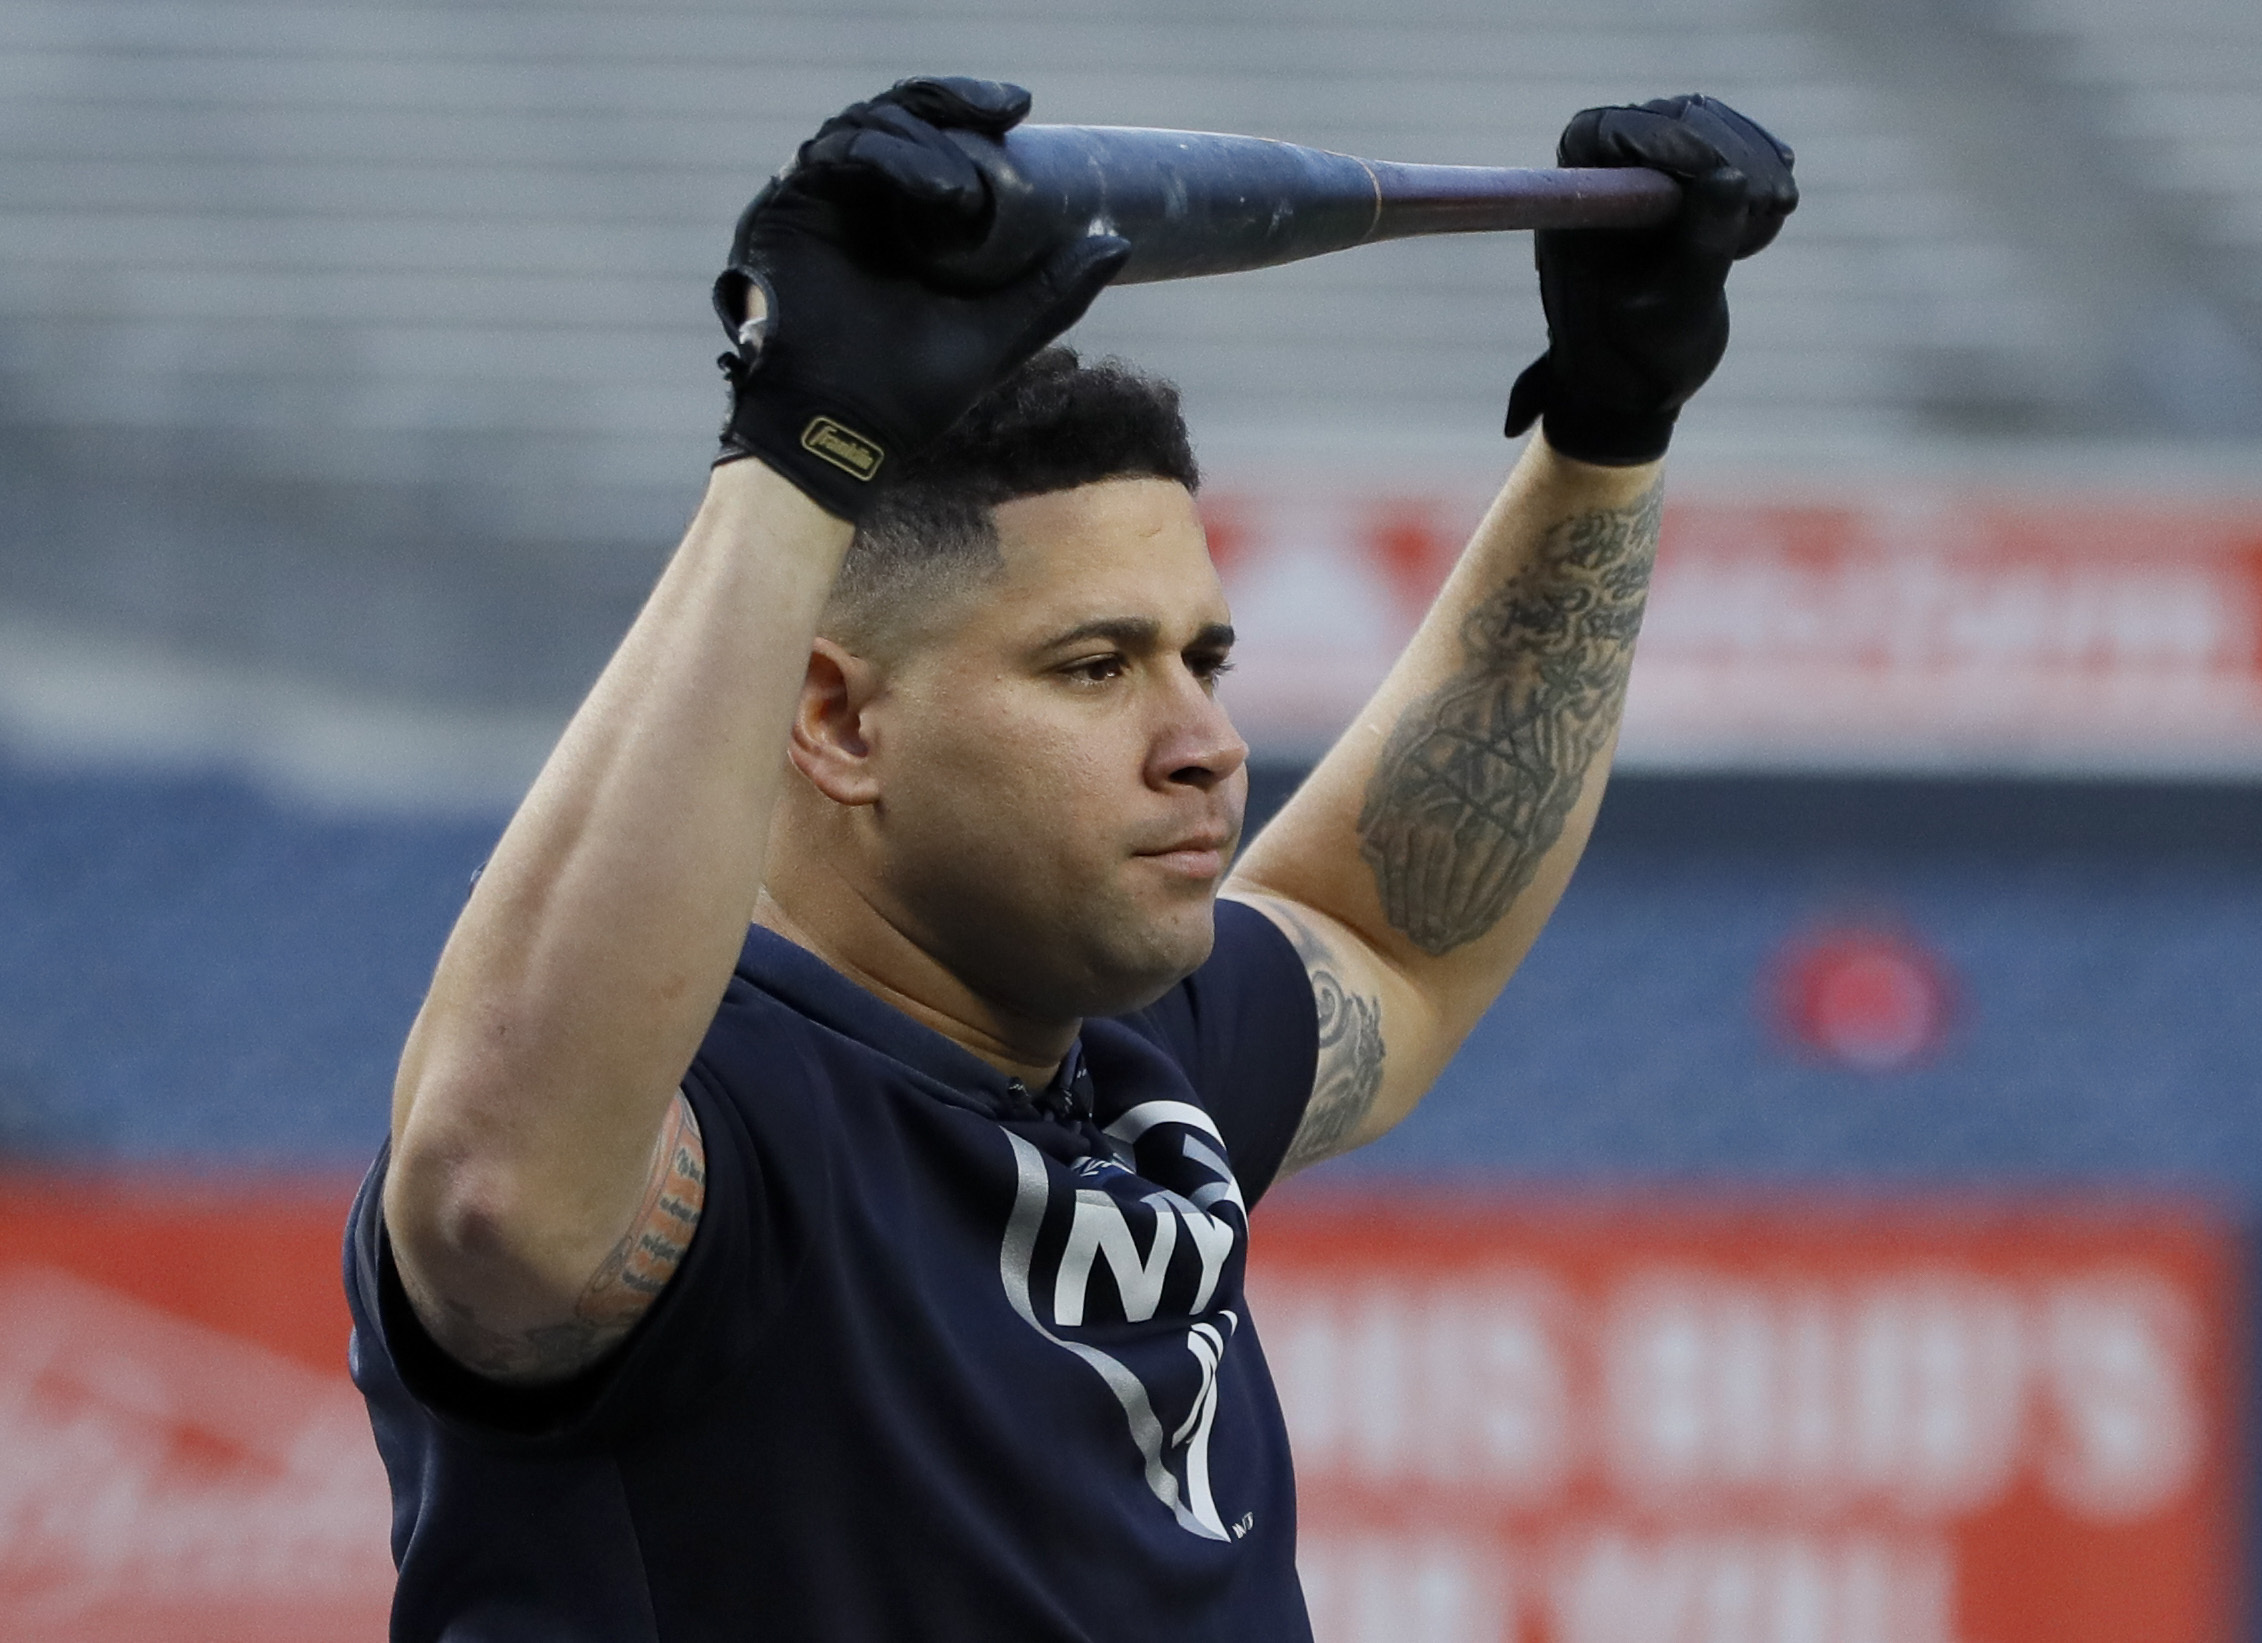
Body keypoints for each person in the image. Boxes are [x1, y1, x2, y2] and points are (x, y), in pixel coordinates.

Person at [344, 74, 1794, 1642]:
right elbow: (502, 1201)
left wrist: (1605, 435)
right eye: (1097, 667)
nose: (1205, 742)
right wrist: (795, 451)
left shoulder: (1135, 1049)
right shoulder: (729, 1128)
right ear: (833, 720)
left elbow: (1394, 937)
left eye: (1206, 661)